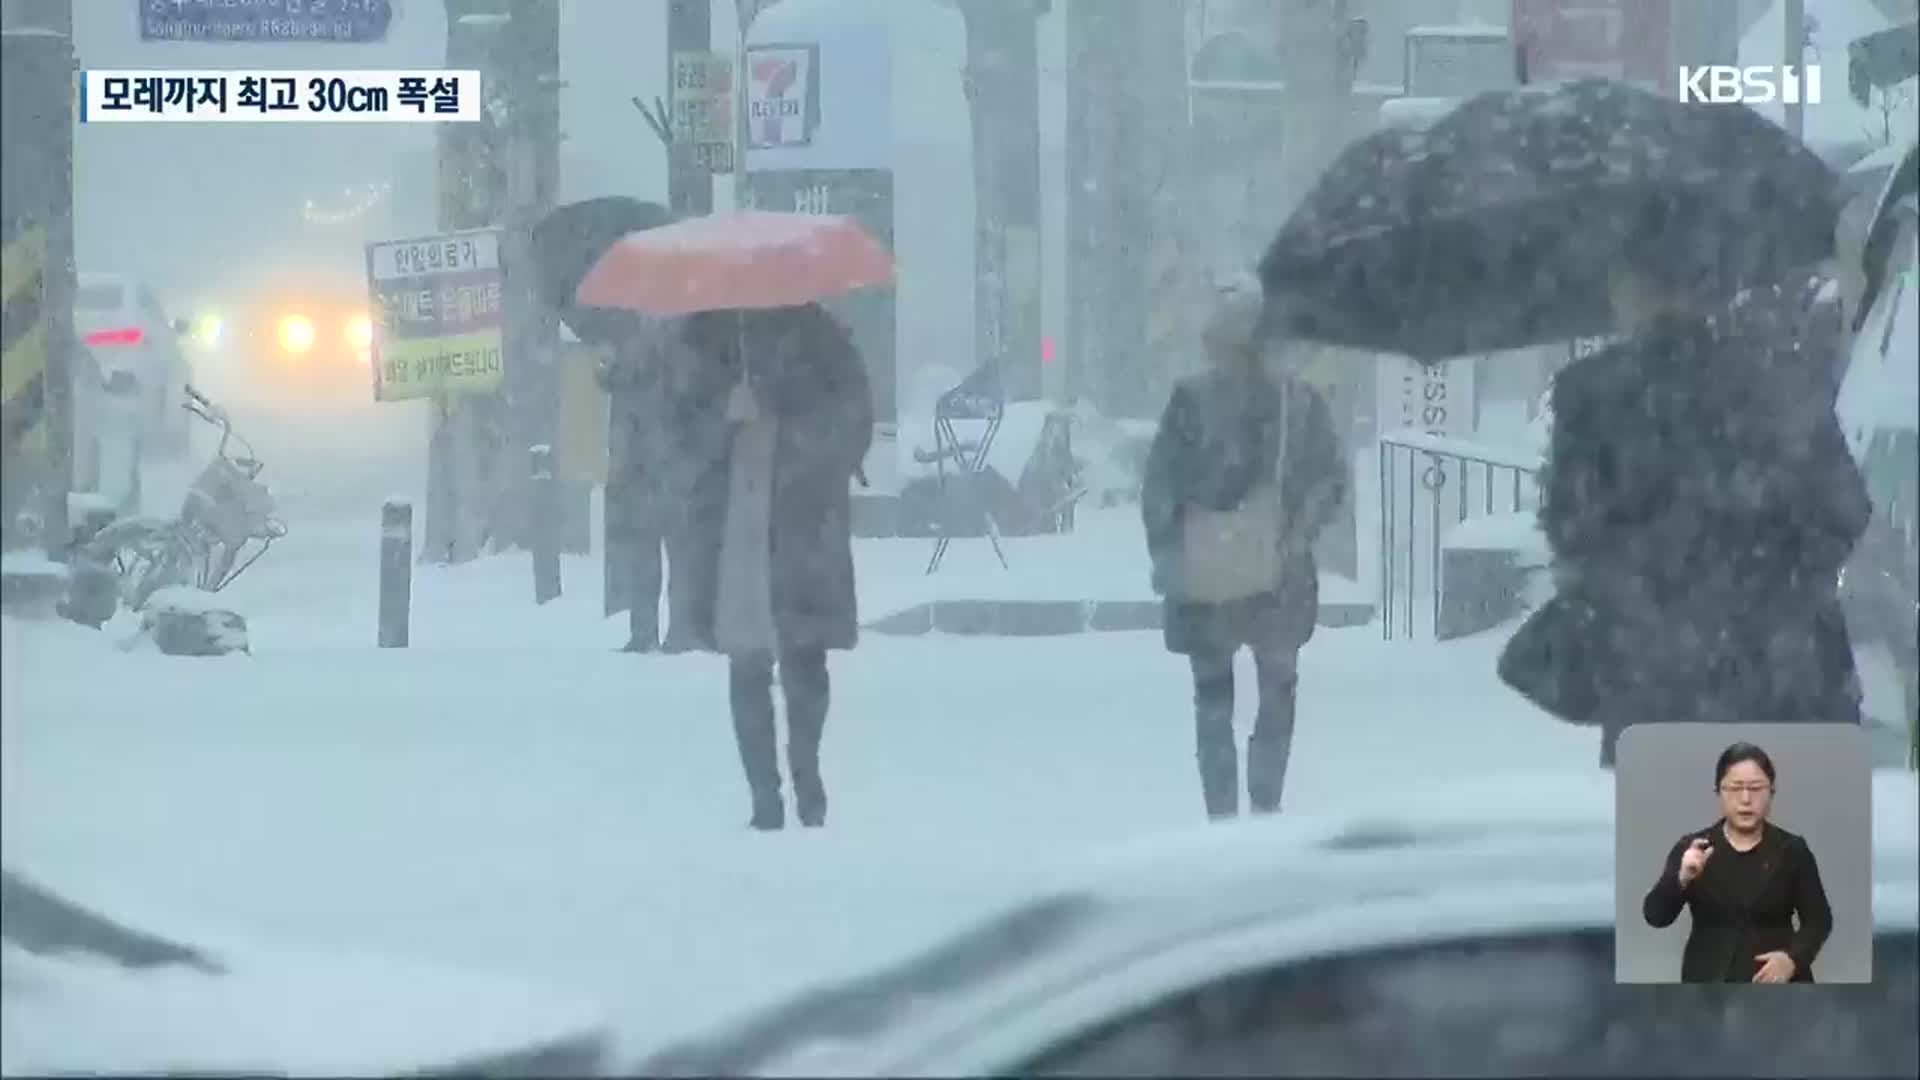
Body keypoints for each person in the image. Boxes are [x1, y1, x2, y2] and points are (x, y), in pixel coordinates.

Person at [1500, 253, 1871, 767]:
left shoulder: (1592, 394)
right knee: (1803, 840)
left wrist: (1649, 579)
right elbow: (1847, 512)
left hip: (1655, 683)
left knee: (1670, 840)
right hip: (1793, 680)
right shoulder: (1785, 379)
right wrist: (1775, 581)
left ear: (1630, 293)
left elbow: (1571, 529)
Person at [1141, 277, 1346, 820]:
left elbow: (1159, 485)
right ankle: (1265, 805)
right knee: (1277, 693)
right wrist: (1298, 533)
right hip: (1279, 576)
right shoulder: (1300, 405)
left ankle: (1223, 816)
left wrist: (1170, 552)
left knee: (1213, 700)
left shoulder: (1190, 402)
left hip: (1206, 580)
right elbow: (1332, 480)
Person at [672, 303, 874, 830]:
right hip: (736, 516)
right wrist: (725, 415)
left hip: (803, 517)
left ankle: (807, 776)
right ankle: (765, 795)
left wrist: (786, 418)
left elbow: (853, 423)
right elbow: (678, 436)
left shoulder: (820, 337)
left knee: (805, 657)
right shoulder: (706, 336)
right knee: (747, 660)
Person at [1642, 742, 1833, 984]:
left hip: (1779, 982)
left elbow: (1819, 919)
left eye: (1755, 788)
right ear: (1719, 792)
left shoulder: (1792, 850)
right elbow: (1655, 916)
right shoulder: (1694, 848)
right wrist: (1682, 878)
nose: (1745, 799)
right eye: (1735, 788)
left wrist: (1793, 959)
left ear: (1771, 792)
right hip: (1708, 982)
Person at [598, 322, 712, 654]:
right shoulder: (666, 351)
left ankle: (667, 631)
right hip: (653, 468)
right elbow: (615, 382)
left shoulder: (679, 353)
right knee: (663, 554)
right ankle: (666, 631)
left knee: (665, 554)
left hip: (663, 467)